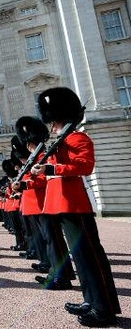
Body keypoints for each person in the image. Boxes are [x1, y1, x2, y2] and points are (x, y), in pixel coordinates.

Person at [32, 87, 120, 327]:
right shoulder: (60, 143)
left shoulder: (77, 138)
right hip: (61, 205)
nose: (50, 127)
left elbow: (84, 167)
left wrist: (51, 168)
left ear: (56, 117)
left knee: (89, 257)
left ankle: (104, 309)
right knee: (80, 258)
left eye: (52, 120)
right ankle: (90, 300)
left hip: (74, 205)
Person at [13, 116, 75, 289]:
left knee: (53, 240)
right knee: (50, 240)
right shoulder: (36, 157)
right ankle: (59, 273)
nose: (27, 146)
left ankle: (61, 276)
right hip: (38, 204)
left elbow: (44, 179)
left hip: (45, 203)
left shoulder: (43, 155)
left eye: (28, 142)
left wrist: (24, 184)